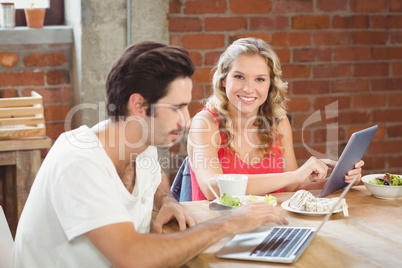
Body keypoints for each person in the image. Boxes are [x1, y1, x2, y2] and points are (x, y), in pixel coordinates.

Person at [12, 41, 288, 268]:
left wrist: (167, 200)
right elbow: (132, 256)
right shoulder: (79, 160)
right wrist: (231, 222)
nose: (187, 120)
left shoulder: (140, 146)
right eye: (177, 107)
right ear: (139, 105)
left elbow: (155, 180)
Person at [187, 37, 364, 201]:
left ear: (270, 85)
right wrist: (294, 175)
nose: (249, 88)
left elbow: (290, 188)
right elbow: (213, 189)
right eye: (239, 77)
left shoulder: (278, 123)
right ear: (224, 79)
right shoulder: (205, 123)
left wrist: (340, 181)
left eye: (260, 79)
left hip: (270, 224)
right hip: (217, 228)